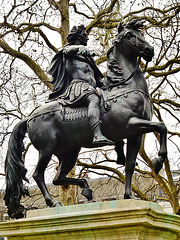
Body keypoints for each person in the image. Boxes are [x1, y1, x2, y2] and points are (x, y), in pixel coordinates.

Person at [48, 25, 113, 145]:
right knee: (93, 98)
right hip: (78, 87)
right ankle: (97, 135)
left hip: (92, 88)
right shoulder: (68, 52)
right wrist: (79, 47)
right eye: (85, 36)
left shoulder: (88, 57)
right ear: (78, 37)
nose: (87, 39)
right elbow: (68, 51)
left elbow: (100, 81)